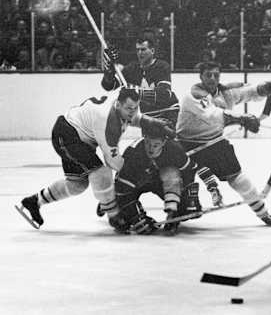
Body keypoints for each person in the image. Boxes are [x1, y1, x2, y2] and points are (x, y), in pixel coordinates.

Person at [16, 88, 174, 230]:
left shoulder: (121, 107)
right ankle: (113, 215)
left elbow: (136, 117)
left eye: (135, 107)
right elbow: (113, 162)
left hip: (75, 135)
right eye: (128, 108)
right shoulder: (108, 123)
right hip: (68, 135)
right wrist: (135, 179)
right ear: (118, 105)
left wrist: (155, 123)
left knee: (77, 185)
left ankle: (34, 201)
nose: (132, 112)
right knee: (101, 172)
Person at [101, 37, 223, 207]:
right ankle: (119, 194)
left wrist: (135, 91)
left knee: (178, 153)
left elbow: (163, 94)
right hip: (148, 119)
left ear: (153, 51)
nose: (140, 53)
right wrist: (108, 69)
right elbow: (109, 86)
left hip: (168, 114)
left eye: (144, 49)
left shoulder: (161, 66)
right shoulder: (131, 69)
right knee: (151, 156)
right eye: (138, 49)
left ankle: (206, 189)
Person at [176, 61, 271, 227]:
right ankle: (175, 213)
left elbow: (249, 92)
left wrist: (266, 88)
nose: (212, 79)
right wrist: (241, 118)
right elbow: (212, 115)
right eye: (208, 75)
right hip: (187, 145)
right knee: (180, 185)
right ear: (200, 76)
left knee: (238, 176)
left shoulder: (225, 92)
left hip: (214, 142)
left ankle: (264, 214)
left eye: (216, 75)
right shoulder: (194, 95)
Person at [112, 122, 199, 236]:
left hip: (158, 181)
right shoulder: (133, 154)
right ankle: (111, 202)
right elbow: (122, 189)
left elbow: (190, 169)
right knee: (121, 221)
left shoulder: (174, 149)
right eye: (148, 143)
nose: (151, 149)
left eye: (156, 145)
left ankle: (173, 210)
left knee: (184, 208)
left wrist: (188, 197)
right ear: (144, 138)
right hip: (136, 183)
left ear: (164, 142)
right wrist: (136, 217)